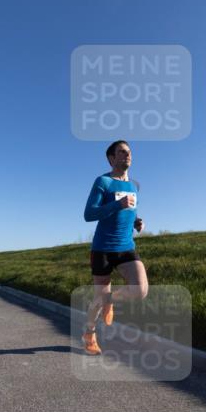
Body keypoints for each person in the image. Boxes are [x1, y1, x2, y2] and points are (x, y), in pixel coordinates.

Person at [81, 140, 149, 355]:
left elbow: (129, 211)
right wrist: (116, 205)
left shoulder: (133, 186)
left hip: (126, 246)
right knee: (98, 299)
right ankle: (89, 333)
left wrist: (137, 221)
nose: (127, 155)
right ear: (112, 158)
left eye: (129, 152)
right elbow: (89, 214)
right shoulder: (103, 181)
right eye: (122, 152)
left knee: (140, 290)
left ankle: (108, 300)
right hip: (102, 249)